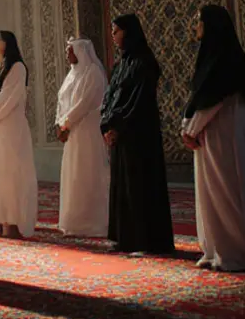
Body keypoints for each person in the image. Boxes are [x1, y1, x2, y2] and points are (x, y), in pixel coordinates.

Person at [182, 5, 245, 273]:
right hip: (211, 135)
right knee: (212, 193)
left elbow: (215, 99)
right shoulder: (212, 58)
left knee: (229, 193)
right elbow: (202, 96)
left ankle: (237, 254)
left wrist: (191, 129)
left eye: (199, 21)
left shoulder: (226, 59)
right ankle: (216, 250)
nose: (195, 26)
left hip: (225, 135)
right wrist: (190, 127)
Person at [101, 14, 175, 254]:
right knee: (123, 187)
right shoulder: (121, 64)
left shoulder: (145, 62)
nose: (113, 35)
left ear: (129, 32)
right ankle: (125, 238)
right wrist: (106, 125)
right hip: (121, 135)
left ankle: (145, 241)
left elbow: (138, 101)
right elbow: (110, 96)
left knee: (140, 186)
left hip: (139, 134)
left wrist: (117, 125)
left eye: (117, 31)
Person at [0, 31, 38, 239]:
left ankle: (14, 223)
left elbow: (9, 98)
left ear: (7, 43)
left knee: (11, 173)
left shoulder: (17, 67)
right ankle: (3, 221)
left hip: (10, 127)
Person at [55, 37, 110, 237]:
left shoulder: (93, 72)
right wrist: (59, 123)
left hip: (87, 130)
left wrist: (66, 123)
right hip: (71, 132)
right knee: (74, 174)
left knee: (88, 173)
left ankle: (92, 223)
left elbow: (85, 103)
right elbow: (62, 100)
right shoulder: (72, 75)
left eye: (70, 50)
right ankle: (74, 222)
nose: (67, 54)